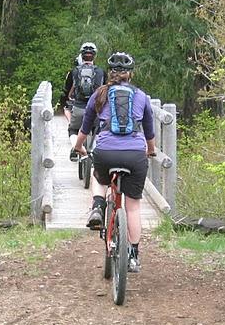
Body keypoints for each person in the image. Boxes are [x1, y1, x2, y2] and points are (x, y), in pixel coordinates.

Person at [74, 52, 156, 273]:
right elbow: (149, 131)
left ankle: (98, 207)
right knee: (133, 207)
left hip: (106, 151)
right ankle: (133, 256)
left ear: (109, 73)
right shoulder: (141, 96)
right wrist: (150, 151)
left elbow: (85, 125)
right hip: (135, 154)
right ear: (131, 74)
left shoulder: (100, 94)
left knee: (98, 175)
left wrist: (78, 146)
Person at [66, 43, 106, 161]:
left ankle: (75, 148)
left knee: (73, 129)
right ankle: (94, 151)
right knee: (98, 129)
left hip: (79, 107)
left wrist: (66, 103)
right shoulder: (100, 72)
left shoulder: (74, 71)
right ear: (95, 56)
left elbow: (67, 90)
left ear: (81, 56)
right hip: (96, 109)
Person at [59, 54, 82, 123]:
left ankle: (70, 122)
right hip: (90, 101)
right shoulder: (96, 72)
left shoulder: (72, 73)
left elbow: (67, 88)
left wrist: (65, 99)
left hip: (75, 100)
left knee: (66, 108)